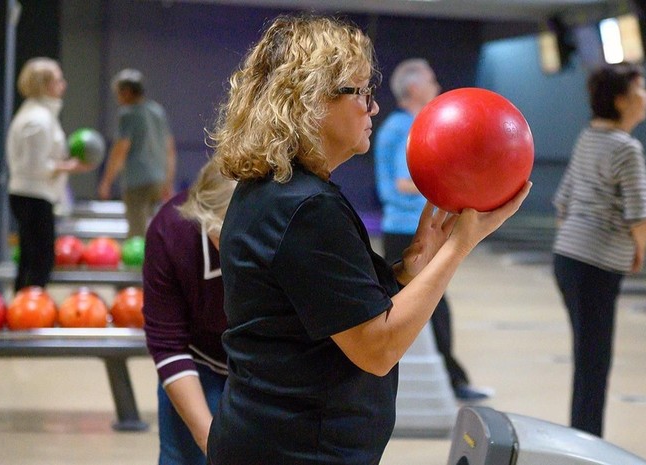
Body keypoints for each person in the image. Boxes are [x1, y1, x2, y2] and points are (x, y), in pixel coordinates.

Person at [206, 15, 530, 465]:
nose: (373, 108)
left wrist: (409, 270)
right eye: (360, 92)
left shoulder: (274, 190)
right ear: (311, 101)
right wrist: (462, 245)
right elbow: (377, 349)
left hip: (272, 439)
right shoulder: (307, 208)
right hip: (296, 451)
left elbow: (328, 311)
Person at [374, 58, 489, 402]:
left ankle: (452, 378)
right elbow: (403, 182)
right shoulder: (404, 126)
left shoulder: (404, 125)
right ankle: (452, 381)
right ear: (413, 89)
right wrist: (453, 182)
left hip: (408, 227)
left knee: (431, 304)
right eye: (431, 81)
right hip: (408, 228)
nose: (438, 86)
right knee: (431, 304)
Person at [552, 62, 646, 438]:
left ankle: (584, 437)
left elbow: (562, 201)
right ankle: (586, 443)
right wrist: (638, 251)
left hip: (568, 260)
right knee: (594, 361)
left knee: (588, 357)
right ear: (621, 101)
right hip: (595, 265)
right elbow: (640, 215)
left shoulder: (588, 137)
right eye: (641, 89)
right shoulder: (627, 148)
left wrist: (575, 244)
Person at [142, 159, 236, 465]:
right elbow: (168, 344)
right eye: (227, 239)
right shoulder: (169, 232)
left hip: (263, 364)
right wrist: (207, 440)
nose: (241, 251)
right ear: (204, 221)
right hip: (198, 358)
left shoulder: (290, 232)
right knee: (183, 456)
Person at [6, 57, 91, 291]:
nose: (63, 84)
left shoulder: (38, 114)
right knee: (40, 261)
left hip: (31, 195)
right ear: (45, 84)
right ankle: (29, 314)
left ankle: (24, 308)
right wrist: (70, 166)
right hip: (33, 196)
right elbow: (35, 166)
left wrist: (65, 165)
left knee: (31, 258)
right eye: (58, 79)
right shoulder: (38, 119)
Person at [98, 68, 177, 239]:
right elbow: (169, 148)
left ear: (126, 92)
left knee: (137, 236)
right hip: (158, 179)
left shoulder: (128, 114)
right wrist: (168, 181)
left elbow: (120, 150)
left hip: (137, 181)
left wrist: (107, 181)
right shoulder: (157, 111)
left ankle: (138, 267)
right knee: (156, 232)